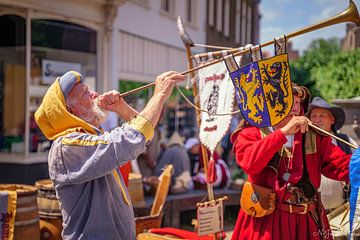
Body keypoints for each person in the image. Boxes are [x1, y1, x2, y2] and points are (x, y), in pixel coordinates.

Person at [34, 70, 184, 240]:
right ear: (71, 111)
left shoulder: (91, 137)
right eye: (86, 93)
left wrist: (122, 108)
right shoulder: (67, 145)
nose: (95, 94)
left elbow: (144, 136)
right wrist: (160, 95)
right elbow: (132, 139)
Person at [230, 84, 351, 240]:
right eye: (288, 101)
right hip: (267, 221)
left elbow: (340, 165)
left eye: (297, 102)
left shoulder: (313, 135)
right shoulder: (252, 132)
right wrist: (283, 132)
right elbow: (250, 163)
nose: (295, 107)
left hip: (307, 220)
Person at [307, 97, 358, 212]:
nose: (317, 120)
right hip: (312, 212)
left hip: (341, 211)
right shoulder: (303, 143)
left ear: (332, 120)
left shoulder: (347, 142)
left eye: (322, 116)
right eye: (313, 116)